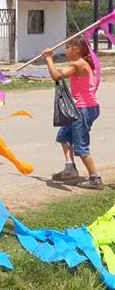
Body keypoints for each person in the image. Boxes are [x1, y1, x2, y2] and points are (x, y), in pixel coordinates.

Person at [46, 39, 104, 190]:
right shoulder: (80, 62)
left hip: (84, 109)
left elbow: (57, 76)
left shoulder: (79, 64)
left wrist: (48, 58)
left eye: (68, 47)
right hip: (80, 108)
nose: (66, 51)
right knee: (64, 135)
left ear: (77, 48)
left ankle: (95, 178)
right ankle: (70, 167)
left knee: (80, 145)